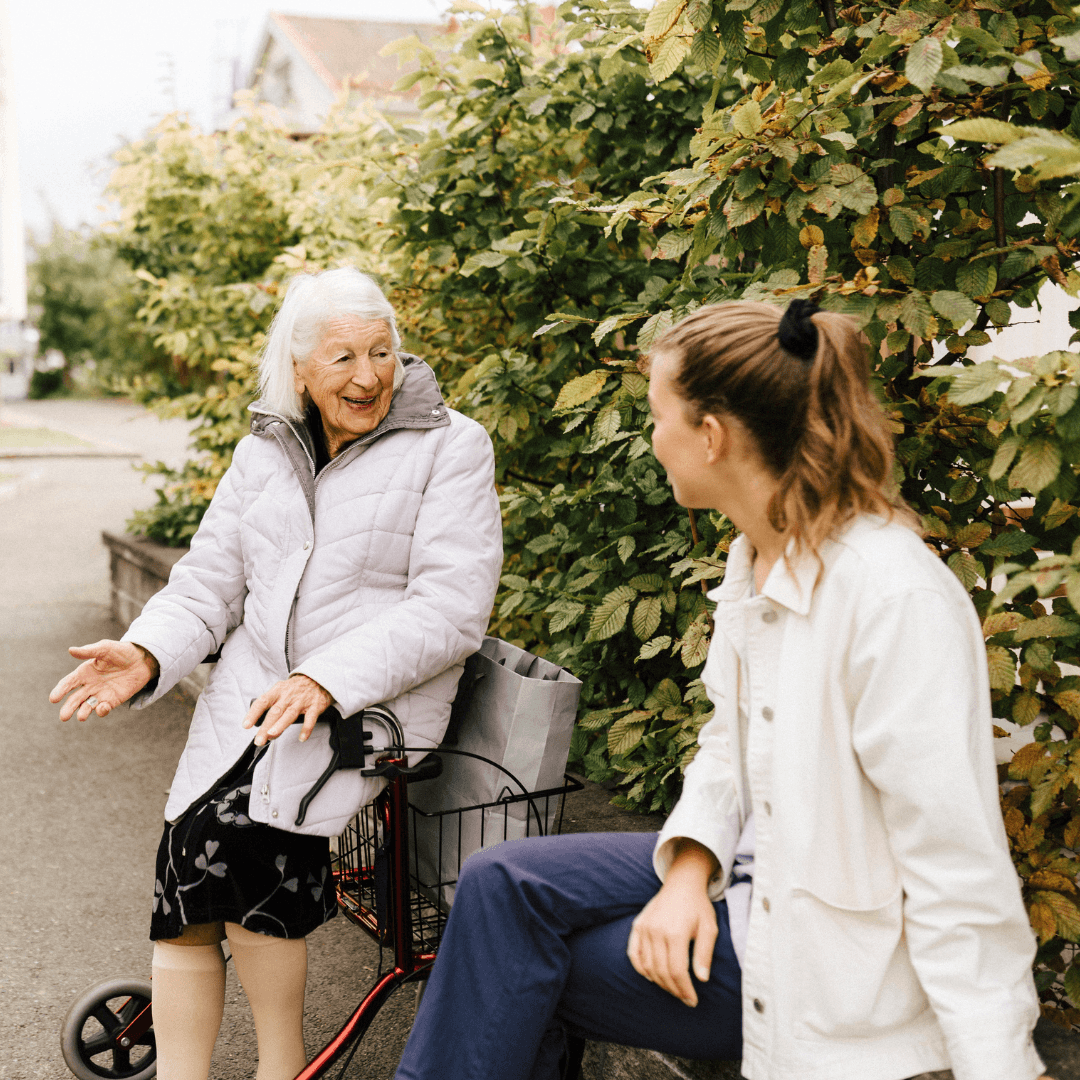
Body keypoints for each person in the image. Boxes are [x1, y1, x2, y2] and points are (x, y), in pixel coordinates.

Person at [393, 299, 1048, 1080]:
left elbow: (956, 866)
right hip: (753, 865)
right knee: (501, 884)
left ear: (712, 435)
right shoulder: (756, 557)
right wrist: (689, 870)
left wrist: (1001, 1064)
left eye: (658, 416)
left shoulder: (891, 597)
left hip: (823, 953)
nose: (653, 439)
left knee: (520, 968)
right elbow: (729, 745)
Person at [49, 267, 503, 1080]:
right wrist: (147, 652)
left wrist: (327, 678)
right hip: (257, 704)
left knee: (236, 848)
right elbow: (208, 584)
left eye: (381, 351)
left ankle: (281, 1068)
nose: (368, 375)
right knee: (183, 857)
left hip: (368, 711)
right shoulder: (265, 452)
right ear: (299, 369)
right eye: (342, 358)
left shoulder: (452, 446)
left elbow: (452, 608)